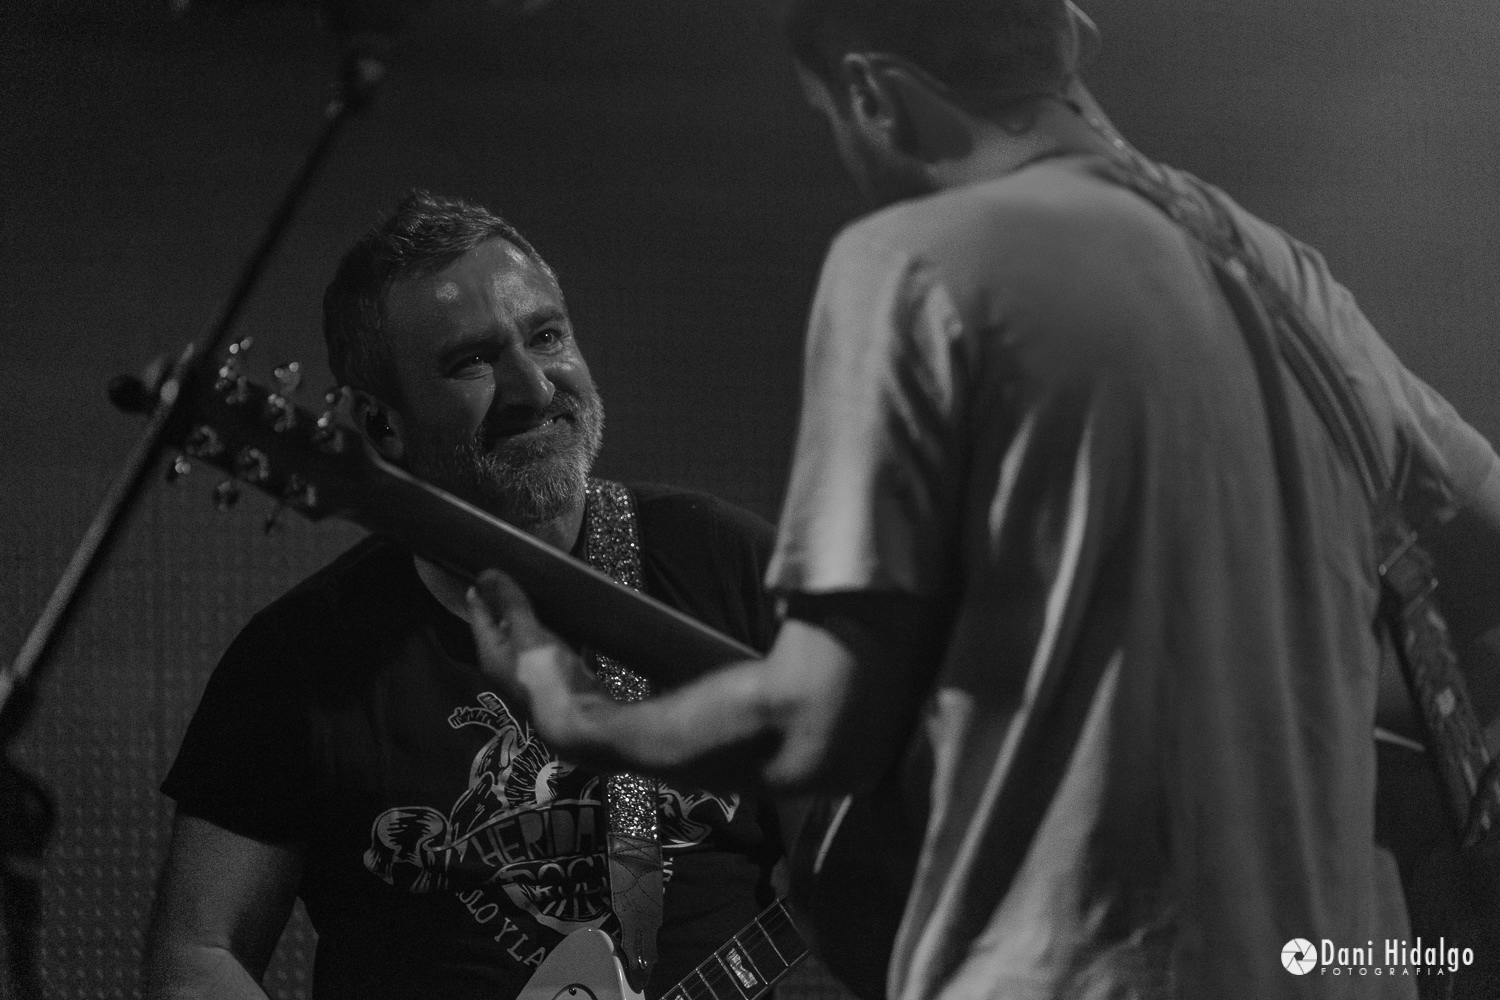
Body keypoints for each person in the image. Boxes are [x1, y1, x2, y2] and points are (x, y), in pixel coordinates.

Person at [462, 2, 1500, 998]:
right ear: (1071, 32)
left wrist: (579, 713)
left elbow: (822, 725)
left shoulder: (918, 259)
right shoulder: (1288, 281)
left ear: (875, 94)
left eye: (831, 122)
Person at [141, 191, 785, 1000]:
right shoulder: (297, 659)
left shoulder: (726, 565)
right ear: (381, 425)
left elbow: (860, 859)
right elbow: (198, 954)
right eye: (473, 361)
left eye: (547, 336)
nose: (534, 388)